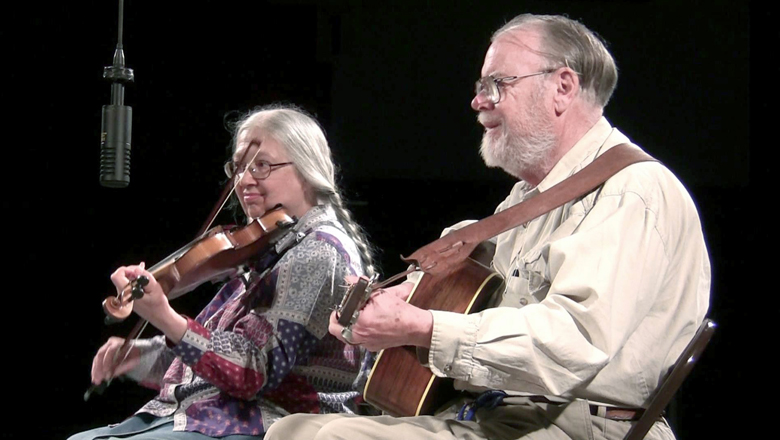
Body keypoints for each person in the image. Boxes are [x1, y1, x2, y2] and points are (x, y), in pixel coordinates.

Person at [264, 13, 711, 440]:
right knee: (292, 430)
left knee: (337, 435)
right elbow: (467, 286)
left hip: (581, 426)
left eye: (498, 84)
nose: (478, 101)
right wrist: (408, 296)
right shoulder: (527, 199)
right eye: (481, 86)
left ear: (563, 87)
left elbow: (572, 343)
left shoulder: (631, 191)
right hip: (502, 415)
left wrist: (423, 326)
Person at [68, 104, 377, 439]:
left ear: (307, 169)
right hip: (211, 417)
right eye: (239, 168)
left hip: (265, 424)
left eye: (262, 166)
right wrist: (140, 356)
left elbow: (253, 371)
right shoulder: (266, 250)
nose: (244, 181)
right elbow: (216, 361)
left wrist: (164, 316)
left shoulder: (318, 251)